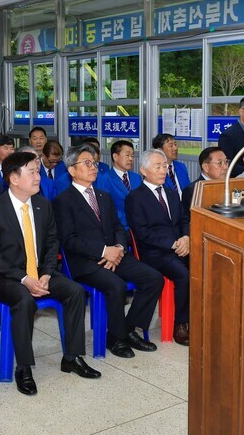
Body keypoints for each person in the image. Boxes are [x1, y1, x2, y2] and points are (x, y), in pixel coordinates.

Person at [0, 151, 101, 396]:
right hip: (4, 276)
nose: (38, 176)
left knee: (75, 292)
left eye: (37, 171)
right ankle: (23, 367)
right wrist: (25, 279)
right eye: (32, 172)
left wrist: (46, 273)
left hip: (39, 272)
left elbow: (52, 242)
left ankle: (72, 357)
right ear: (13, 178)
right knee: (23, 300)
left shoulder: (43, 204)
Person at [53, 144, 163, 358]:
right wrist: (104, 251)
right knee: (116, 285)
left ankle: (128, 329)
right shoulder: (63, 201)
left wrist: (119, 248)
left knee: (153, 278)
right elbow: (69, 240)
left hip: (116, 253)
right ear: (72, 170)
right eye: (86, 163)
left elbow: (118, 228)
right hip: (85, 262)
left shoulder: (103, 196)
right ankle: (117, 338)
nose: (93, 167)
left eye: (94, 163)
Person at [126, 149, 191, 346]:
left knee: (206, 266)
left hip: (180, 246)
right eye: (158, 166)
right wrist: (172, 244)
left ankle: (198, 317)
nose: (163, 170)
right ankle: (180, 323)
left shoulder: (171, 194)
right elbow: (142, 232)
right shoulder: (135, 198)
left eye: (164, 166)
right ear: (144, 171)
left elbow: (183, 220)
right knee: (184, 275)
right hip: (154, 252)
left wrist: (186, 237)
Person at [97, 140, 142, 229]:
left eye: (132, 156)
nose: (131, 159)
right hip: (119, 228)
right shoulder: (105, 179)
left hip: (139, 227)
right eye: (127, 155)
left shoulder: (136, 177)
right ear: (115, 156)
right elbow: (105, 208)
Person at [181, 146, 229, 216]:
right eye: (220, 163)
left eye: (226, 162)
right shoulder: (193, 190)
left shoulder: (228, 186)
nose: (226, 167)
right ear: (206, 167)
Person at [152, 133, 190, 200]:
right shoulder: (154, 170)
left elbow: (188, 189)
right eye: (171, 145)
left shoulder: (181, 167)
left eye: (175, 144)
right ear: (160, 150)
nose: (175, 148)